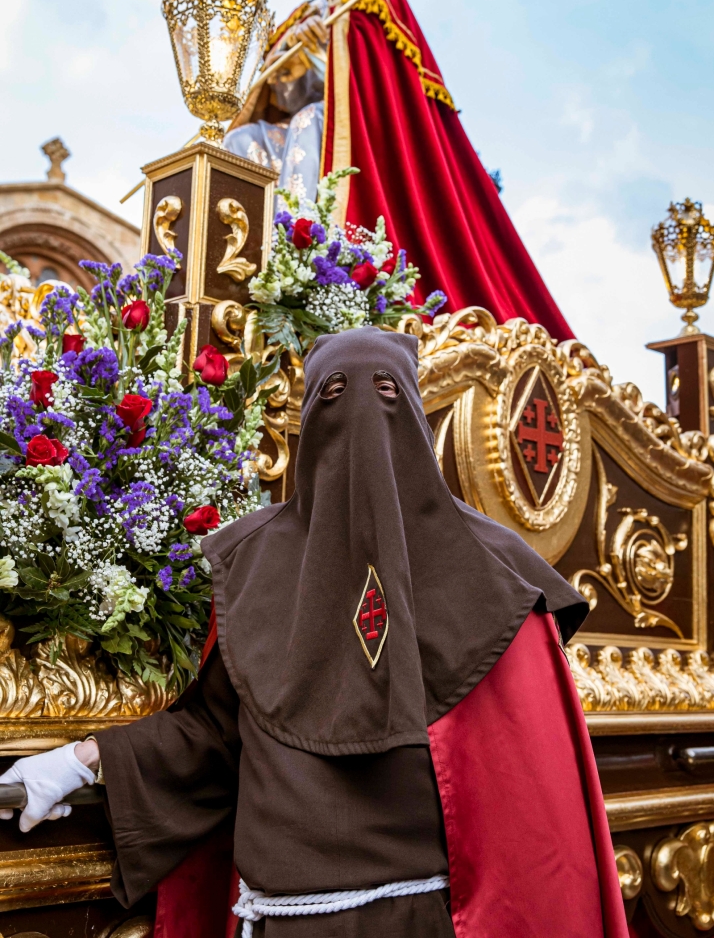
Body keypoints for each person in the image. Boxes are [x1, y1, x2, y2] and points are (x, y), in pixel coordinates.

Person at [0, 328, 627, 938]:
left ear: (413, 414)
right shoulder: (255, 561)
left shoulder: (495, 577)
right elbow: (213, 733)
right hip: (282, 923)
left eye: (385, 390)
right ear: (310, 420)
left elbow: (524, 792)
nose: (361, 417)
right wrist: (76, 762)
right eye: (334, 393)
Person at [224, 0, 573, 340]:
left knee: (309, 120)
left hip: (355, 133)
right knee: (242, 139)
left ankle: (304, 243)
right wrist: (288, 56)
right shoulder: (305, 13)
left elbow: (380, 73)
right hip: (305, 128)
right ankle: (258, 253)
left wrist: (334, 36)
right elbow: (280, 96)